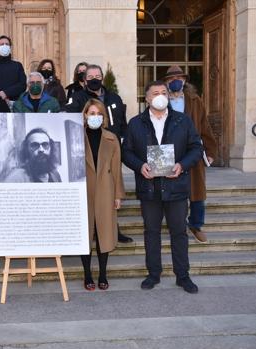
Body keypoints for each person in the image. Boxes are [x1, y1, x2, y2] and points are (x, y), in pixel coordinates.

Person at [122, 80, 202, 294]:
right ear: (147, 98)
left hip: (176, 186)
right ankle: (153, 274)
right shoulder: (136, 123)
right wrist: (140, 166)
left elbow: (196, 147)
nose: (160, 96)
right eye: (155, 93)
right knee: (151, 232)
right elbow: (126, 152)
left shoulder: (182, 121)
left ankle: (183, 276)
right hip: (149, 187)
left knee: (179, 232)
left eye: (164, 92)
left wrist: (182, 165)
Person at [65, 64, 132, 243]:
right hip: (88, 149)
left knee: (109, 191)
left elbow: (122, 122)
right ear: (84, 79)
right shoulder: (78, 98)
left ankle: (113, 230)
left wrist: (123, 139)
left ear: (102, 77)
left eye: (97, 75)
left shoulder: (114, 98)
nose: (94, 78)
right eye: (90, 76)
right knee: (91, 194)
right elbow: (69, 119)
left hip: (110, 148)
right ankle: (90, 232)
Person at [162, 65, 218, 243]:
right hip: (168, 152)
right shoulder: (160, 101)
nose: (175, 81)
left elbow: (205, 126)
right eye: (171, 79)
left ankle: (195, 224)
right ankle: (175, 224)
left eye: (178, 78)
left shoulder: (195, 100)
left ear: (184, 80)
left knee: (197, 191)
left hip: (192, 151)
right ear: (166, 83)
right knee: (170, 189)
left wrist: (210, 150)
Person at [81, 99, 125, 291]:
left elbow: (117, 169)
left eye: (99, 113)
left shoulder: (111, 138)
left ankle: (103, 274)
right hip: (83, 191)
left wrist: (118, 195)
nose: (95, 117)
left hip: (106, 189)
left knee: (103, 234)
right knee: (85, 234)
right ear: (85, 115)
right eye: (92, 113)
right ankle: (87, 275)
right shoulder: (75, 136)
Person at [0, 35, 27, 102]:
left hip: (13, 103)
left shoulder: (17, 65)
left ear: (10, 47)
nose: (4, 46)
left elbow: (22, 85)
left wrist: (6, 93)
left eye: (7, 44)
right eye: (2, 44)